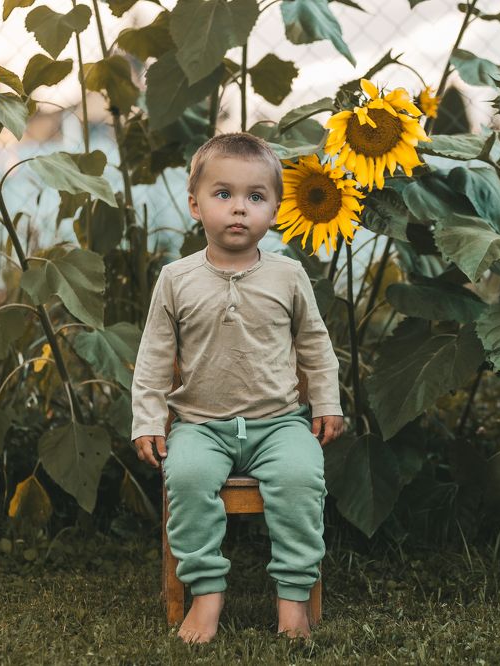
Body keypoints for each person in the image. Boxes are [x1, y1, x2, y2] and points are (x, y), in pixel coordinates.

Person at [130, 133, 346, 644]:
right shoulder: (176, 279)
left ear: (275, 207)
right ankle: (205, 596)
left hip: (279, 423)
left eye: (255, 197)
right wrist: (146, 419)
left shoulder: (289, 276)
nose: (238, 210)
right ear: (194, 204)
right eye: (222, 194)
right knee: (185, 480)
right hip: (201, 426)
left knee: (300, 480)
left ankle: (293, 601)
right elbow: (154, 357)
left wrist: (327, 401)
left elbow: (316, 345)